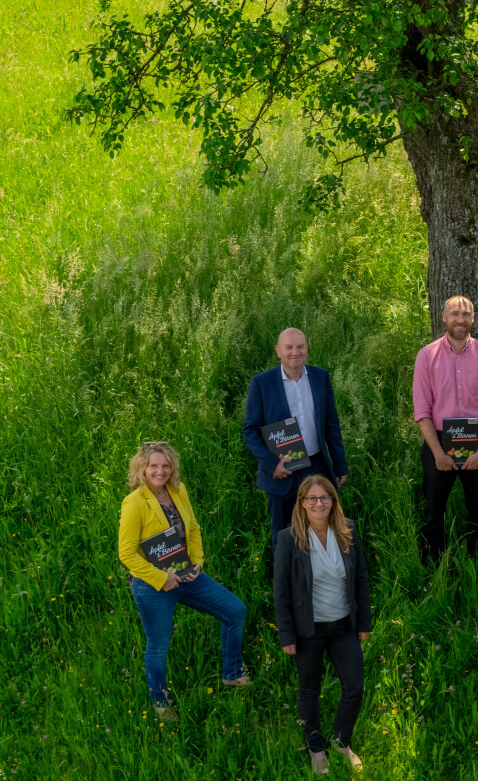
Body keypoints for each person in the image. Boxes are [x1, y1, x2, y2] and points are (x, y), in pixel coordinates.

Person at [118, 442, 249, 721]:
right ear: (142, 468)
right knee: (158, 644)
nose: (160, 471)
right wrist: (161, 578)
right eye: (154, 465)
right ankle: (160, 702)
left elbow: (193, 527)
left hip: (187, 574)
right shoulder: (134, 503)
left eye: (165, 466)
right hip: (153, 584)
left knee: (235, 611)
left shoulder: (178, 490)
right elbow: (126, 552)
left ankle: (232, 674)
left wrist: (197, 559)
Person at [275, 475, 373, 774]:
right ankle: (316, 750)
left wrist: (364, 621)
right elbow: (281, 591)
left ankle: (342, 743)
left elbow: (361, 579)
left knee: (354, 687)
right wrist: (286, 633)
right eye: (311, 498)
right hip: (309, 630)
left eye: (324, 497)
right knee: (309, 689)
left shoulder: (348, 530)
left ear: (333, 501)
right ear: (302, 503)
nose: (319, 503)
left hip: (344, 625)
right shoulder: (288, 538)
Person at [413, 295, 478, 561]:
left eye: (466, 315)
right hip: (438, 442)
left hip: (476, 442)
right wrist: (439, 454)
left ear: (473, 319)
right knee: (432, 513)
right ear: (444, 317)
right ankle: (432, 572)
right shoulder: (427, 356)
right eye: (454, 314)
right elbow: (422, 411)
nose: (460, 320)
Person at [243, 328, 349, 546]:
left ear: (307, 349)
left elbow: (331, 424)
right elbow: (250, 430)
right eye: (289, 347)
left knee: (321, 528)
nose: (295, 352)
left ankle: (318, 576)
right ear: (278, 351)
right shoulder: (262, 383)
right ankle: (284, 580)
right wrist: (272, 464)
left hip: (317, 465)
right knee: (283, 533)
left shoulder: (320, 377)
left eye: (300, 346)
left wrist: (339, 464)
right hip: (282, 469)